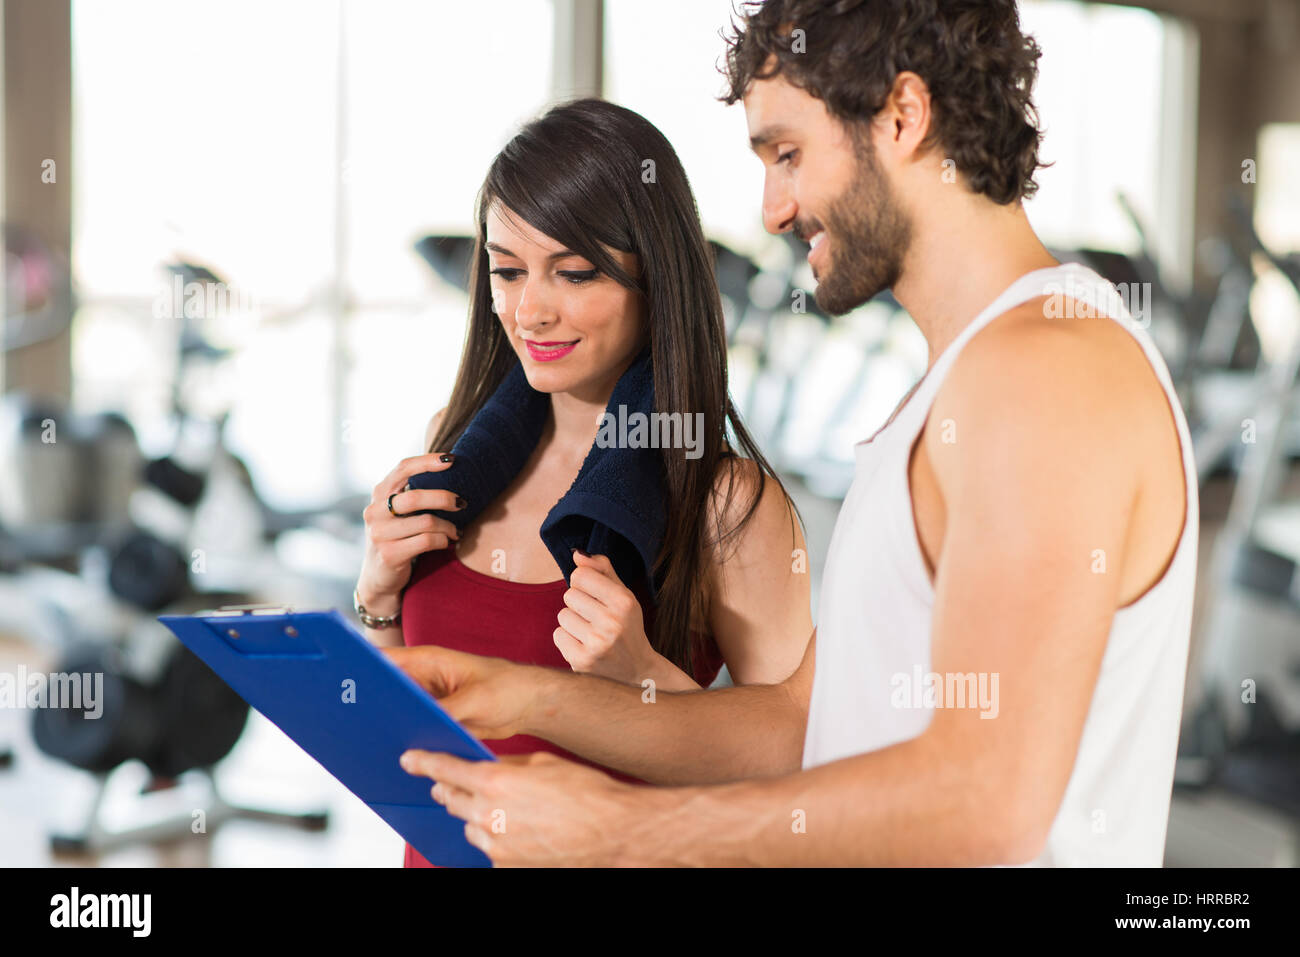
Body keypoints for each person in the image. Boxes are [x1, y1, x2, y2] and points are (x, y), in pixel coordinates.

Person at [392, 0, 1198, 867]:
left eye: (787, 155)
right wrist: (519, 698)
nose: (774, 211)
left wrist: (621, 832)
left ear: (902, 115)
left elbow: (985, 801)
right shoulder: (965, 380)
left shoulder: (1044, 371)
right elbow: (795, 727)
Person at [354, 98, 813, 866]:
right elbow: (407, 734)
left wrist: (641, 676)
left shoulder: (726, 502)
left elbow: (795, 769)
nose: (530, 309)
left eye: (572, 272)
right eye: (506, 271)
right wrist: (375, 598)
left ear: (654, 280)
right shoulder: (455, 445)